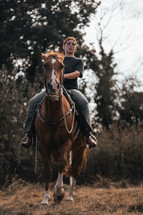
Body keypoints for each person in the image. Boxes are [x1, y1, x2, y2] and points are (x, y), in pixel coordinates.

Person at [21, 36, 97, 148]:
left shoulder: (78, 61)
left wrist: (61, 76)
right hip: (54, 88)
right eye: (68, 44)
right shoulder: (59, 60)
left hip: (72, 90)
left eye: (73, 44)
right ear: (64, 46)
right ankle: (30, 136)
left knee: (84, 103)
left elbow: (77, 73)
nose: (71, 46)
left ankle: (87, 135)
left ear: (75, 48)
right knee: (33, 102)